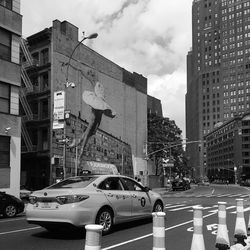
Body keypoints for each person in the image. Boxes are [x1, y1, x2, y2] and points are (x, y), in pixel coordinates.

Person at [69, 71, 116, 165]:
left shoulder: (97, 87)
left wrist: (81, 72)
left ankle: (78, 147)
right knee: (87, 135)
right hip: (95, 118)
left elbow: (91, 80)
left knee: (87, 134)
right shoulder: (98, 87)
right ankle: (79, 151)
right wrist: (82, 72)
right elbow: (92, 80)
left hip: (95, 119)